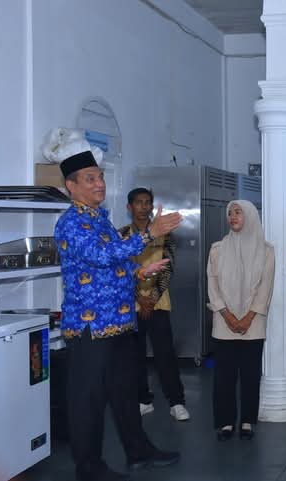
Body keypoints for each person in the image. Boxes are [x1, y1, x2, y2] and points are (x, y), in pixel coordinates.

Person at [54, 141, 182, 481]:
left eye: (100, 177)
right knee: (88, 401)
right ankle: (89, 467)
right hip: (90, 328)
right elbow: (99, 257)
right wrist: (149, 234)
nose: (99, 184)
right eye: (90, 179)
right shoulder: (71, 223)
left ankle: (138, 451)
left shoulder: (101, 219)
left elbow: (115, 261)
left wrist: (140, 271)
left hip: (120, 321)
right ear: (71, 186)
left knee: (126, 393)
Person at [206, 200, 275, 442]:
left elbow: (265, 288)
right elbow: (212, 285)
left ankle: (247, 421)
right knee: (223, 376)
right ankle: (225, 422)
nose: (233, 217)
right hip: (223, 321)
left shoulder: (266, 251)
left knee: (250, 374)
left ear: (251, 216)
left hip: (253, 322)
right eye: (230, 213)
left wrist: (247, 318)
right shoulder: (217, 249)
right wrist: (227, 315)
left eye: (238, 212)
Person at [119, 188, 189, 422]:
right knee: (134, 355)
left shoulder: (166, 234)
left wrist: (151, 299)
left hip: (158, 303)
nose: (144, 207)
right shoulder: (121, 235)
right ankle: (143, 400)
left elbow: (168, 269)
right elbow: (119, 270)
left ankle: (176, 402)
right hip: (131, 305)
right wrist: (138, 297)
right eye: (139, 202)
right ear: (129, 207)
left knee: (165, 354)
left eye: (148, 202)